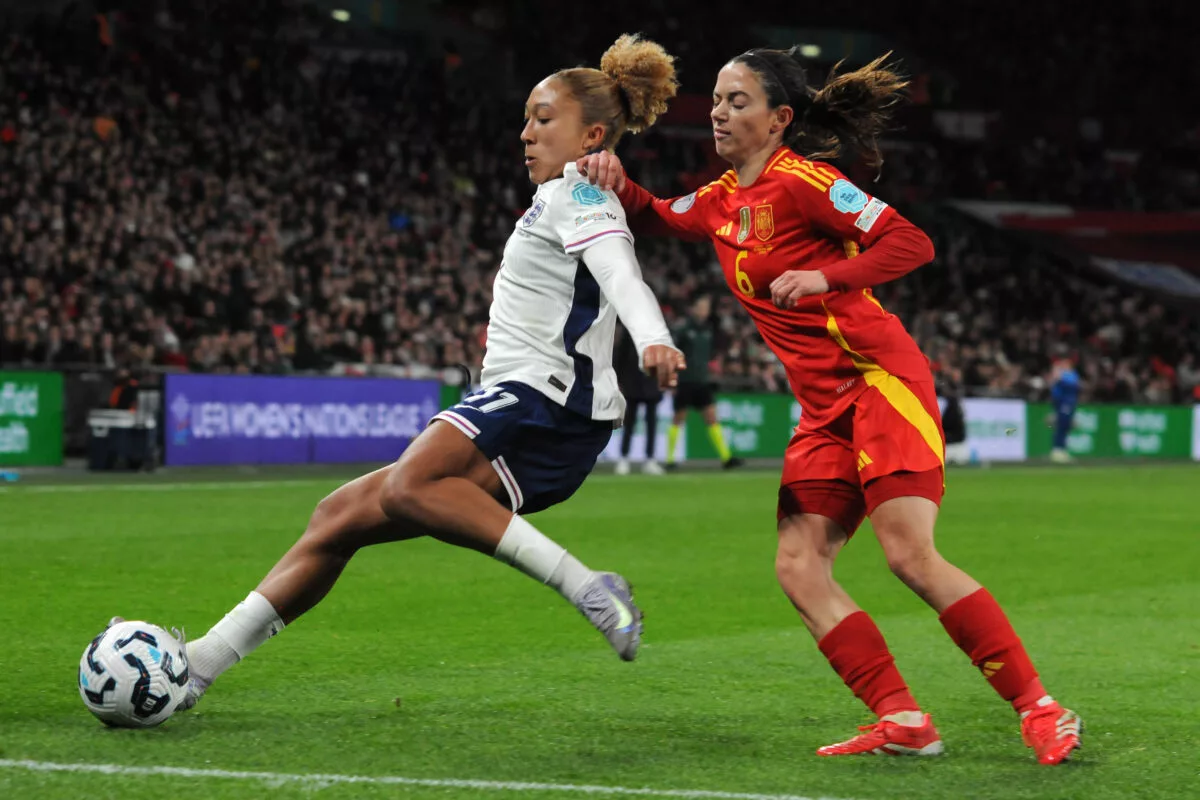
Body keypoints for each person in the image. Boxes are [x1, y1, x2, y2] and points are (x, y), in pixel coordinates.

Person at [579, 48, 1080, 764]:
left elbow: (911, 242)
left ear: (780, 119)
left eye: (738, 101)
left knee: (909, 554)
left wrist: (824, 275)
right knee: (799, 566)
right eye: (717, 100)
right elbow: (657, 215)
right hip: (822, 412)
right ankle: (903, 718)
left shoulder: (809, 183)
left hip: (879, 381)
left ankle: (1043, 708)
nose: (720, 112)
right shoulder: (722, 200)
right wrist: (615, 179)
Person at [166, 34, 687, 712]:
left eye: (543, 117)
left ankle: (587, 586)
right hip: (544, 415)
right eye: (526, 117)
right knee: (338, 517)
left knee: (411, 484)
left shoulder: (578, 194)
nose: (526, 132)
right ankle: (198, 667)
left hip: (541, 399)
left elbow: (619, 265)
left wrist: (653, 336)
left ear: (590, 133)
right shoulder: (562, 194)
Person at [663, 295, 744, 471]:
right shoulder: (683, 329)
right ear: (693, 308)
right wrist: (672, 379)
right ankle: (669, 460)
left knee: (711, 417)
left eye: (706, 307)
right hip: (684, 381)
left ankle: (726, 458)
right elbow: (672, 354)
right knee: (678, 419)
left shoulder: (708, 330)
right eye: (701, 306)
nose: (704, 310)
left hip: (701, 381)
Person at [612, 322, 666, 475]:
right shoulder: (630, 332)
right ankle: (623, 458)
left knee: (652, 424)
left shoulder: (658, 333)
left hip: (651, 383)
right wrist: (619, 380)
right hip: (633, 383)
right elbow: (620, 356)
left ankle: (650, 459)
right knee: (629, 423)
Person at [1048, 355, 1080, 463]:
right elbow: (1054, 389)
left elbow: (1072, 385)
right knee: (1061, 426)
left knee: (1065, 427)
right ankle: (1057, 450)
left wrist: (1058, 374)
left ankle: (1062, 450)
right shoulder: (1061, 375)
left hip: (1069, 403)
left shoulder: (1071, 375)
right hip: (1062, 404)